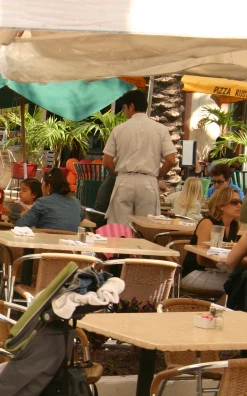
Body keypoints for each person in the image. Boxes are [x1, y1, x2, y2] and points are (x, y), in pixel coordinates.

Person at [102, 90, 177, 225]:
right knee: (145, 227)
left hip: (124, 180)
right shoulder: (160, 129)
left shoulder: (119, 129)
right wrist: (158, 176)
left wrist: (119, 173)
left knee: (120, 229)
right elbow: (171, 159)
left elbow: (107, 161)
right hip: (148, 181)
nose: (124, 112)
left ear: (132, 106)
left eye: (124, 108)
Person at [181, 187, 242, 295]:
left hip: (218, 271)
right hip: (195, 272)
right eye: (234, 202)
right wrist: (225, 268)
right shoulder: (208, 223)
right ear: (221, 205)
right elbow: (202, 259)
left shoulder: (234, 225)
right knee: (237, 284)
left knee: (241, 281)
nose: (239, 205)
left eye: (240, 202)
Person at [16, 168, 85, 232]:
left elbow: (20, 225)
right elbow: (81, 216)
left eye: (43, 183)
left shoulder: (42, 202)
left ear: (48, 187)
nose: (41, 186)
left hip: (45, 243)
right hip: (71, 243)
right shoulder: (76, 202)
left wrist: (26, 215)